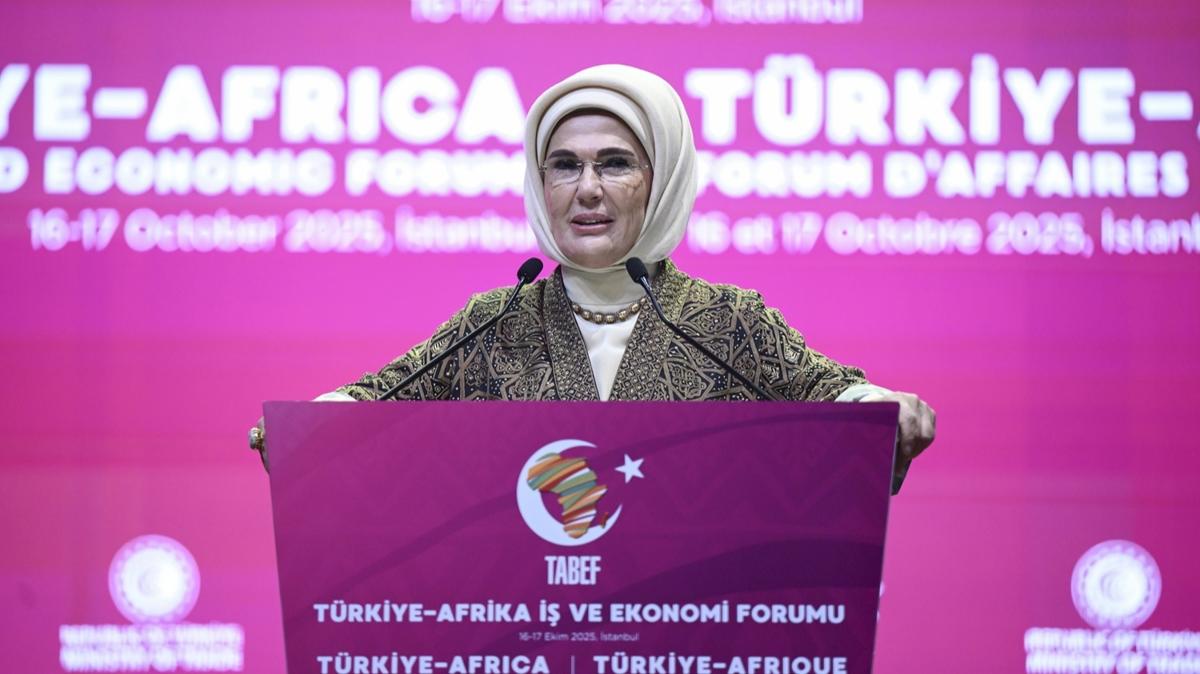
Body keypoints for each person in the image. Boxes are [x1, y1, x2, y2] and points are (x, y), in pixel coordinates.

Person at [248, 65, 936, 488]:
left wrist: (885, 407)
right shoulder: (492, 322)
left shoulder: (730, 321)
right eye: (564, 165)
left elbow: (835, 398)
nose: (586, 189)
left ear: (661, 181)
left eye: (614, 163)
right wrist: (309, 425)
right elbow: (370, 406)